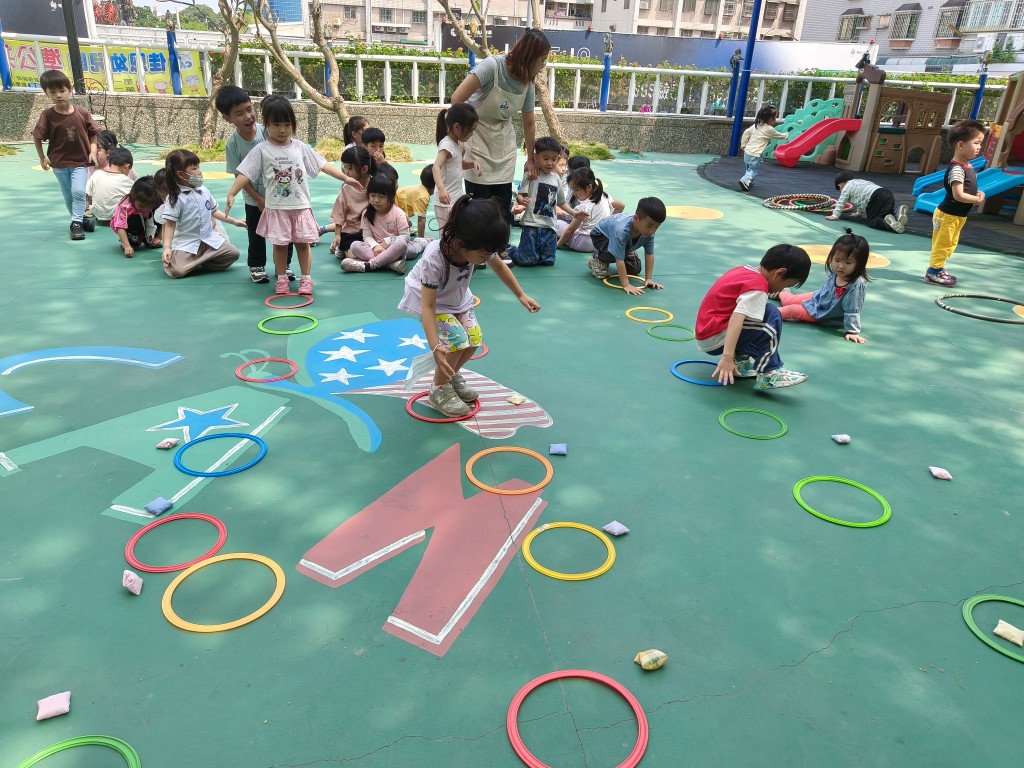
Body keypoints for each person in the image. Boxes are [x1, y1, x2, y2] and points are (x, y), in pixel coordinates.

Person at [398, 196, 540, 417]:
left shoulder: (479, 245)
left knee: (474, 337)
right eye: (483, 255)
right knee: (456, 340)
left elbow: (499, 267)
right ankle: (438, 388)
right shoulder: (434, 259)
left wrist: (521, 295)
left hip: (456, 296)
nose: (487, 258)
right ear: (459, 244)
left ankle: (451, 374)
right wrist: (435, 347)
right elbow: (428, 306)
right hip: (433, 301)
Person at [227, 95, 355, 294]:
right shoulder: (261, 149)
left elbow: (323, 165)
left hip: (300, 207)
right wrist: (232, 192)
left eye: (287, 124)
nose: (282, 130)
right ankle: (281, 278)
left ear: (293, 124)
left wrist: (346, 178)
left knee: (303, 244)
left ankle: (306, 278)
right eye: (276, 124)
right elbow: (245, 173)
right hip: (277, 208)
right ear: (266, 124)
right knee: (280, 245)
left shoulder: (299, 147)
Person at [450, 28, 551, 224]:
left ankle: (500, 243)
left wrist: (531, 158)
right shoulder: (492, 66)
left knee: (501, 212)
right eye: (541, 60)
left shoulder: (528, 83)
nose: (542, 66)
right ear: (530, 57)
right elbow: (457, 99)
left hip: (504, 148)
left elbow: (529, 123)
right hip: (477, 141)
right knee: (479, 212)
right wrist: (459, 138)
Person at [695, 244, 811, 390]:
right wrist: (727, 357)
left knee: (757, 314)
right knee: (771, 315)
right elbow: (737, 317)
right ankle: (769, 372)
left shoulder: (744, 271)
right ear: (779, 273)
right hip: (716, 336)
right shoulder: (757, 287)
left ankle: (741, 360)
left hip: (707, 331)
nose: (782, 289)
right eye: (785, 285)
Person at [218, 85, 295, 284]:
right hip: (254, 199)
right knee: (256, 233)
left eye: (249, 109)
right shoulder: (233, 144)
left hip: (279, 196)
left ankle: (284, 266)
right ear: (227, 118)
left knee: (284, 232)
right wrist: (258, 198)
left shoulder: (268, 132)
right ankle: (256, 265)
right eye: (239, 114)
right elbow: (240, 175)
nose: (247, 116)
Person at [31, 69, 100, 241]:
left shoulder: (82, 113)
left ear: (70, 90)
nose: (58, 95)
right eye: (53, 92)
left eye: (62, 90)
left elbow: (93, 133)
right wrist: (42, 157)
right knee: (68, 194)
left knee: (78, 191)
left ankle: (76, 223)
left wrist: (92, 152)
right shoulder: (47, 115)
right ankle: (80, 220)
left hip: (80, 161)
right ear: (46, 94)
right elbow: (37, 136)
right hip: (59, 162)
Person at [162, 149, 243, 279]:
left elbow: (214, 211)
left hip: (208, 239)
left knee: (233, 254)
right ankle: (196, 261)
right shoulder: (175, 198)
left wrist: (234, 221)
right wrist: (167, 247)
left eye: (198, 167)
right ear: (181, 174)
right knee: (178, 271)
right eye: (194, 168)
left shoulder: (204, 191)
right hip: (187, 243)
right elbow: (170, 225)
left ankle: (198, 263)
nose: (199, 171)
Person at [778, 230, 870, 343]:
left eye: (848, 262)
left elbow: (852, 310)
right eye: (837, 260)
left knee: (791, 310)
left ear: (860, 264)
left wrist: (852, 331)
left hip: (824, 314)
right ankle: (780, 291)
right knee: (789, 300)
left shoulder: (856, 285)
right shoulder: (837, 272)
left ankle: (765, 313)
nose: (841, 266)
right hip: (819, 297)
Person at [926, 119, 987, 286]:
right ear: (960, 145)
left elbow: (968, 189)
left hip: (958, 216)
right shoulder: (957, 169)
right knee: (942, 244)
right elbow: (959, 195)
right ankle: (933, 271)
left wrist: (978, 193)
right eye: (976, 143)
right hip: (948, 215)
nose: (979, 147)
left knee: (951, 244)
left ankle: (939, 268)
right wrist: (976, 199)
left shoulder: (968, 167)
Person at [508, 136, 585, 266]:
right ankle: (511, 250)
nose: (550, 163)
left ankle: (531, 252)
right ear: (536, 157)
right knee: (527, 261)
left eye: (554, 159)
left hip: (549, 226)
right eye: (546, 158)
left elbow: (561, 203)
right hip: (532, 224)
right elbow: (520, 196)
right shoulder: (531, 175)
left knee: (547, 261)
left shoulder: (556, 179)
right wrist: (522, 201)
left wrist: (574, 214)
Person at [587, 197, 666, 295]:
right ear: (636, 219)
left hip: (621, 237)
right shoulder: (621, 230)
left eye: (656, 227)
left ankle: (626, 250)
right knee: (617, 256)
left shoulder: (649, 231)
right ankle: (598, 259)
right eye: (649, 226)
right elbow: (619, 260)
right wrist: (626, 285)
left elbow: (649, 254)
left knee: (635, 269)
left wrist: (648, 278)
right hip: (601, 235)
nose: (652, 231)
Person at [341, 173, 414, 275]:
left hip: (394, 249)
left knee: (401, 244)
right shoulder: (366, 214)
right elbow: (367, 236)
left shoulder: (398, 213)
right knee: (354, 245)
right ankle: (391, 264)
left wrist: (387, 242)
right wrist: (375, 246)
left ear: (390, 197)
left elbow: (405, 237)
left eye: (381, 196)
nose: (376, 200)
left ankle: (369, 265)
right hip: (375, 249)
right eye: (372, 195)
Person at [432, 103, 480, 231]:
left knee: (456, 232)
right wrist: (441, 189)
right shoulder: (446, 145)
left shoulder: (458, 144)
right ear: (457, 127)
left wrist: (472, 163)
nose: (471, 134)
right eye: (470, 131)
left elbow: (459, 164)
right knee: (446, 234)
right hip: (445, 201)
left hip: (455, 199)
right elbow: (436, 167)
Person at [326, 145, 376, 260]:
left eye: (349, 168)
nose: (346, 172)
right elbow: (339, 214)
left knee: (381, 246)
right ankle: (344, 251)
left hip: (372, 231)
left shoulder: (374, 184)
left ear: (364, 169)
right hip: (351, 232)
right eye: (344, 167)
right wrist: (337, 235)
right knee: (353, 254)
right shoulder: (346, 188)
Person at [828, 172, 907, 233]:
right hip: (886, 192)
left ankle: (885, 223)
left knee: (872, 221)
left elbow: (841, 202)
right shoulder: (860, 182)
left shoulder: (846, 188)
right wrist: (859, 213)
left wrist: (835, 215)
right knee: (885, 212)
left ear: (840, 185)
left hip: (875, 197)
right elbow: (860, 200)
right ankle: (896, 213)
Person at [557, 167, 612, 253]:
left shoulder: (583, 207)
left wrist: (557, 245)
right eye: (572, 190)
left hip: (583, 243)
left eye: (577, 190)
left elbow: (570, 230)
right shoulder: (605, 196)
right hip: (599, 243)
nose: (574, 194)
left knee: (557, 223)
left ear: (589, 187)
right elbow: (620, 205)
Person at [111, 176, 164, 257]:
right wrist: (127, 246)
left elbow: (165, 221)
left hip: (148, 222)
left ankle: (150, 239)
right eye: (141, 206)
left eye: (149, 207)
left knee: (158, 213)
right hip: (134, 226)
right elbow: (120, 227)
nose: (145, 209)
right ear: (133, 195)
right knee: (134, 220)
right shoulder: (125, 206)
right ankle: (129, 242)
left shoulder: (157, 202)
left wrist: (159, 237)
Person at [739, 105, 788, 191]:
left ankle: (748, 182)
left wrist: (743, 144)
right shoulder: (769, 129)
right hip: (755, 154)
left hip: (747, 152)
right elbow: (778, 135)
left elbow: (746, 132)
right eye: (775, 118)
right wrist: (786, 135)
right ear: (770, 119)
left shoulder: (756, 125)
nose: (775, 120)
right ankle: (744, 180)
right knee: (753, 170)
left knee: (749, 169)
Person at [85, 146, 135, 228]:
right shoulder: (128, 182)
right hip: (118, 220)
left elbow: (89, 195)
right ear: (126, 166)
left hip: (99, 218)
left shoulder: (96, 174)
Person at [397, 165, 435, 241]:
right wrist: (421, 239)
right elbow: (421, 221)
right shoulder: (423, 197)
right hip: (392, 207)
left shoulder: (421, 189)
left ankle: (405, 226)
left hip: (398, 205)